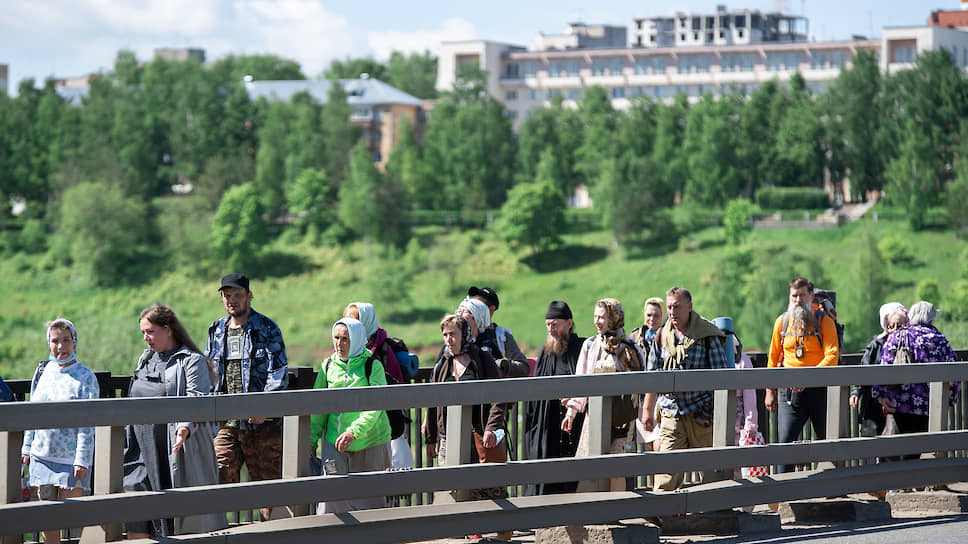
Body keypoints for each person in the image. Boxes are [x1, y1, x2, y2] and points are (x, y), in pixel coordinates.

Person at [123, 304, 226, 538]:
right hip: (140, 447)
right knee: (136, 506)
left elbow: (196, 399)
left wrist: (183, 427)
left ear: (168, 329)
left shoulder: (191, 360)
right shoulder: (145, 358)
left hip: (174, 446)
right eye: (143, 333)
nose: (146, 338)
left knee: (175, 515)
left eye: (150, 331)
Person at [205, 273, 288, 521]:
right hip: (227, 422)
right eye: (227, 295)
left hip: (261, 423)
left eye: (237, 295)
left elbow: (278, 371)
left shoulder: (267, 328)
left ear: (249, 296)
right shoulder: (216, 330)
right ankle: (220, 534)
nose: (232, 300)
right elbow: (209, 371)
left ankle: (270, 535)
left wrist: (264, 405)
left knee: (268, 487)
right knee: (217, 477)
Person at [423, 314, 511, 542]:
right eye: (445, 335)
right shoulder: (443, 363)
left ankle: (504, 529)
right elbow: (433, 404)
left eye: (453, 334)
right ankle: (470, 532)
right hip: (449, 437)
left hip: (479, 434)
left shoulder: (482, 358)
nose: (448, 339)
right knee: (454, 486)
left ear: (465, 335)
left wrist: (492, 428)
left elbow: (498, 396)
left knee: (490, 484)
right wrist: (431, 439)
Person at [641, 287, 729, 492]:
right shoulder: (661, 335)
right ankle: (664, 512)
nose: (672, 312)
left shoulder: (706, 334)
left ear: (689, 306)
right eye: (670, 307)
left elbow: (723, 376)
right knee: (667, 467)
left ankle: (714, 514)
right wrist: (647, 409)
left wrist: (713, 410)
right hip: (671, 411)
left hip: (701, 412)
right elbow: (652, 375)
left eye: (677, 307)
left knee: (709, 470)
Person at [21, 318, 99, 544]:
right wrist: (27, 447)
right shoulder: (43, 373)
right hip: (41, 456)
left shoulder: (85, 377)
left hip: (70, 460)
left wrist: (82, 459)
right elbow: (32, 413)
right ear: (48, 343)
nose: (60, 346)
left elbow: (89, 422)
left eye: (66, 340)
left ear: (74, 342)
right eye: (55, 341)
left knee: (74, 516)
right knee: (46, 519)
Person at [562, 298, 645, 493]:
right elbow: (580, 382)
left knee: (617, 466)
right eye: (595, 316)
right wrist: (571, 413)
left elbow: (641, 383)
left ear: (614, 318)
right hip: (596, 416)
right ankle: (593, 510)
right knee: (591, 464)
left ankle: (616, 509)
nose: (597, 321)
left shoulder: (630, 348)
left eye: (602, 317)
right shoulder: (590, 345)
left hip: (622, 419)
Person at [311, 317, 393, 513]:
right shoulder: (328, 366)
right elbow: (318, 409)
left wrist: (353, 432)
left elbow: (376, 407)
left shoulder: (373, 366)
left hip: (370, 441)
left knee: (371, 501)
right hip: (334, 441)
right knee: (331, 498)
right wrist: (311, 440)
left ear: (356, 339)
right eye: (336, 338)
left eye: (345, 339)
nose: (339, 344)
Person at [765, 277, 839, 473]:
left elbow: (832, 355)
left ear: (811, 296)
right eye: (794, 296)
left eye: (802, 295)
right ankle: (783, 495)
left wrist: (809, 378)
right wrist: (769, 390)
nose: (798, 300)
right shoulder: (782, 322)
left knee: (827, 443)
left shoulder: (824, 321)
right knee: (785, 444)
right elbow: (773, 358)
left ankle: (831, 490)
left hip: (819, 391)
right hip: (790, 394)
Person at [874, 301, 960, 458]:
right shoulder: (940, 341)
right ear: (932, 320)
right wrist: (949, 400)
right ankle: (919, 481)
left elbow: (884, 366)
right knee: (918, 453)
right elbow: (955, 374)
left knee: (892, 451)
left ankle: (891, 481)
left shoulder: (898, 336)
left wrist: (880, 394)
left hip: (899, 404)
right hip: (929, 407)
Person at [523, 301, 586, 496]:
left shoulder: (582, 347)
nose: (551, 330)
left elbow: (586, 381)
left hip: (575, 421)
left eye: (555, 324)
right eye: (548, 325)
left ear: (569, 323)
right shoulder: (546, 351)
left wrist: (573, 398)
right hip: (549, 422)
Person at [851, 303, 906, 437]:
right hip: (874, 402)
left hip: (898, 402)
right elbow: (864, 370)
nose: (891, 325)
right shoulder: (876, 344)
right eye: (888, 321)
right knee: (871, 439)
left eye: (896, 321)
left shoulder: (908, 342)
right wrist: (856, 392)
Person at [468, 286, 528, 364]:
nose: (472, 308)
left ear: (491, 309)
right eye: (471, 303)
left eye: (478, 305)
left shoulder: (501, 336)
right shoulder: (462, 333)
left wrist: (502, 365)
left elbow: (523, 367)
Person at [628, 297, 665, 361]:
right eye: (649, 315)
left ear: (663, 315)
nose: (652, 319)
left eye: (656, 315)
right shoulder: (635, 336)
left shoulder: (670, 336)